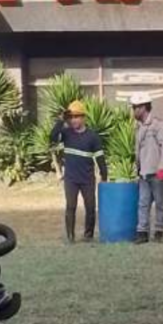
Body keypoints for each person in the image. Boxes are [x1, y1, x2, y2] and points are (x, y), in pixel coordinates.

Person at [49, 100, 107, 243]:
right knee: (70, 206)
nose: (74, 120)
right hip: (71, 179)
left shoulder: (92, 136)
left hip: (87, 179)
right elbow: (52, 137)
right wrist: (61, 120)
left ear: (83, 117)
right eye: (71, 117)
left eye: (77, 117)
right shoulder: (66, 133)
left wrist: (104, 176)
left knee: (90, 207)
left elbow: (100, 158)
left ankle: (88, 235)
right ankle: (70, 236)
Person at [128, 93, 163, 243]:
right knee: (143, 203)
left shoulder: (158, 125)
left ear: (143, 107)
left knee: (160, 203)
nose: (133, 111)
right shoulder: (139, 127)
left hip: (157, 172)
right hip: (144, 172)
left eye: (135, 108)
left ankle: (159, 232)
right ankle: (142, 233)